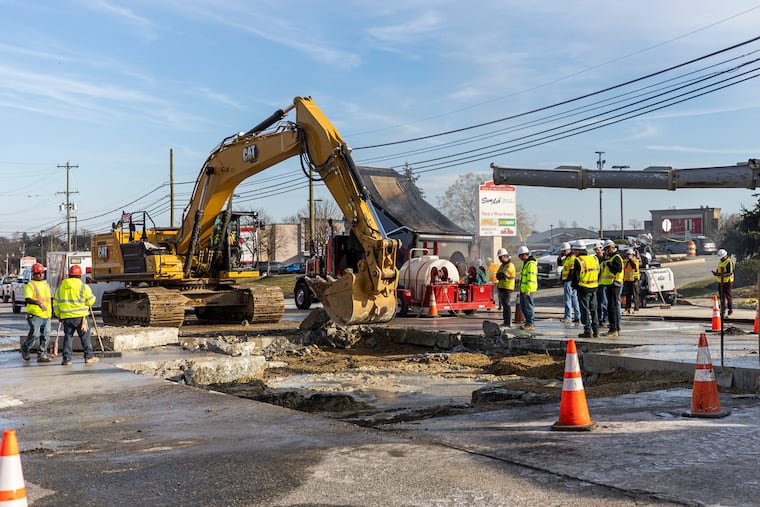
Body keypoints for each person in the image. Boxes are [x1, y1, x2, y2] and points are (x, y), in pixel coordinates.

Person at [53, 265, 99, 365]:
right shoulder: (83, 287)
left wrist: (58, 314)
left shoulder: (61, 288)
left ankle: (67, 359)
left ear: (69, 275)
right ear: (79, 276)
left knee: (68, 337)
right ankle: (88, 357)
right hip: (81, 318)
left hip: (66, 318)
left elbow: (56, 303)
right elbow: (90, 301)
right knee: (85, 338)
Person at [20, 262, 52, 363]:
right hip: (35, 315)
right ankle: (25, 348)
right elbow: (28, 299)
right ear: (33, 274)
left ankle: (42, 354)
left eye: (42, 273)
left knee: (46, 335)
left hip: (46, 314)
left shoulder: (46, 285)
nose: (41, 275)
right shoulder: (30, 285)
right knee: (35, 334)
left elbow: (48, 299)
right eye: (38, 273)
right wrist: (37, 302)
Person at [571, 242, 599, 338]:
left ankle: (588, 330)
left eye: (575, 250)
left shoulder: (578, 260)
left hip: (583, 288)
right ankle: (596, 330)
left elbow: (576, 276)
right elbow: (598, 272)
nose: (574, 252)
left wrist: (574, 286)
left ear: (578, 250)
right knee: (594, 310)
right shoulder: (594, 259)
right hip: (594, 287)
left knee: (585, 310)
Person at [599, 240, 623, 336]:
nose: (605, 251)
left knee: (612, 307)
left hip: (614, 284)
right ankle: (615, 328)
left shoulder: (616, 258)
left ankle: (614, 329)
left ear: (610, 248)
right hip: (610, 284)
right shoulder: (611, 257)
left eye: (606, 249)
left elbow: (618, 269)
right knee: (611, 307)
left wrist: (609, 265)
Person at [557, 241, 580, 324]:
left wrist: (568, 281)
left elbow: (572, 271)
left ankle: (568, 317)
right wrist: (559, 257)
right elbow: (560, 264)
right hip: (570, 281)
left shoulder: (572, 258)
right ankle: (578, 317)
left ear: (568, 250)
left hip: (569, 281)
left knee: (568, 299)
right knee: (574, 299)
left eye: (564, 251)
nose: (563, 252)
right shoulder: (568, 258)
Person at [517, 246, 538, 331]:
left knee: (528, 306)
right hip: (524, 289)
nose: (520, 258)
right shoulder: (525, 263)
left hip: (528, 289)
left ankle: (530, 323)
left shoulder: (531, 264)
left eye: (520, 256)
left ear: (525, 255)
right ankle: (528, 322)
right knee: (523, 306)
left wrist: (528, 290)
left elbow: (531, 278)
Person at [495, 248, 516, 327]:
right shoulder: (502, 265)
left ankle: (508, 322)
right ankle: (505, 321)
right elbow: (498, 275)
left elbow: (504, 275)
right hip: (501, 287)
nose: (500, 259)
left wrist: (501, 275)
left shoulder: (510, 265)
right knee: (504, 306)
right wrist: (500, 275)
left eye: (500, 257)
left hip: (507, 288)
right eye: (499, 257)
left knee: (507, 306)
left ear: (505, 256)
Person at [712, 249, 734, 318]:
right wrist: (716, 274)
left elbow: (730, 273)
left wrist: (721, 275)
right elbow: (719, 271)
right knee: (722, 297)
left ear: (725, 255)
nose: (721, 258)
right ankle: (723, 311)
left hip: (727, 281)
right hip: (720, 282)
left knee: (728, 296)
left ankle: (730, 310)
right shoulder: (721, 262)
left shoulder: (729, 262)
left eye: (722, 257)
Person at [622, 248, 641, 314]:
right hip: (627, 280)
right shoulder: (625, 261)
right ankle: (627, 308)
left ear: (633, 255)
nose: (628, 256)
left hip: (634, 280)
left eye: (630, 254)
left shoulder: (635, 260)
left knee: (635, 295)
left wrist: (630, 260)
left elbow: (634, 267)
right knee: (628, 295)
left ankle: (636, 309)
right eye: (628, 255)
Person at [593, 241, 608, 326]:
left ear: (601, 249)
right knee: (598, 302)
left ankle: (605, 319)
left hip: (604, 283)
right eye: (595, 250)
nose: (596, 251)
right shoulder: (594, 259)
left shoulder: (606, 258)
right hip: (597, 283)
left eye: (597, 249)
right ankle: (598, 318)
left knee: (604, 302)